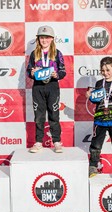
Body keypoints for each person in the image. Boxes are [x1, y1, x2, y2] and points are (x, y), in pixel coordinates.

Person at [85, 56, 112, 180]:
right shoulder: (99, 83)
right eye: (103, 70)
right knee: (96, 145)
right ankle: (93, 166)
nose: (105, 73)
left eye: (108, 70)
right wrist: (90, 96)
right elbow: (96, 100)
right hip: (100, 120)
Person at [26, 25, 66, 153]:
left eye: (47, 38)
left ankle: (57, 142)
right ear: (38, 39)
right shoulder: (34, 54)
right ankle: (38, 142)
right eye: (42, 38)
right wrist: (32, 72)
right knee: (39, 116)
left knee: (54, 115)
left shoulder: (57, 53)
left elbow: (63, 71)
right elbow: (28, 71)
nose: (44, 40)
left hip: (52, 86)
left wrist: (57, 75)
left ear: (52, 39)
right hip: (38, 87)